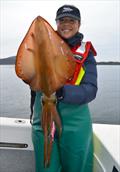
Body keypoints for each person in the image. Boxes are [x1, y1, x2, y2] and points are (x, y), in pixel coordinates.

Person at [31, 4, 98, 172]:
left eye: (71, 20)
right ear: (56, 23)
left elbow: (90, 89)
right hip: (43, 116)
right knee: (46, 165)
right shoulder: (42, 49)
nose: (66, 24)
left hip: (76, 120)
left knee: (76, 165)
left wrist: (61, 92)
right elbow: (33, 85)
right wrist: (32, 111)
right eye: (62, 20)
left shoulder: (86, 54)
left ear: (79, 24)